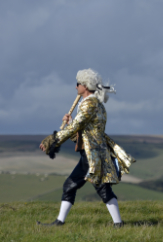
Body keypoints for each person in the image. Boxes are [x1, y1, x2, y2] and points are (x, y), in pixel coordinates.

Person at [37, 69, 135, 227]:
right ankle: (60, 222)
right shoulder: (93, 104)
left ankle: (117, 224)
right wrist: (71, 123)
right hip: (91, 154)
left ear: (85, 86)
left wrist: (53, 139)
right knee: (75, 186)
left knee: (98, 188)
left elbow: (76, 128)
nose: (75, 87)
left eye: (78, 84)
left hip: (93, 155)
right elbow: (80, 130)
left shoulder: (89, 104)